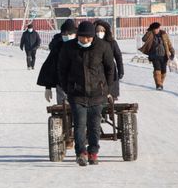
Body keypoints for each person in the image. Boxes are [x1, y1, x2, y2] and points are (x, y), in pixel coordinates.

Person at [57, 20, 117, 167]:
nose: (85, 40)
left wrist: (107, 88)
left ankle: (93, 153)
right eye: (82, 37)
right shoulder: (68, 48)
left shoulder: (103, 47)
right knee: (79, 124)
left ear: (93, 37)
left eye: (88, 37)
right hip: (77, 94)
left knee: (94, 126)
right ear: (78, 36)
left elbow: (110, 69)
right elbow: (62, 69)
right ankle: (81, 153)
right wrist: (67, 88)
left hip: (98, 93)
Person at [36, 19, 77, 103]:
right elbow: (50, 67)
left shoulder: (81, 46)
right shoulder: (58, 48)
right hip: (61, 84)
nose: (68, 36)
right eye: (65, 34)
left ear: (75, 34)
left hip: (79, 85)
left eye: (70, 34)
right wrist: (48, 87)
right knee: (64, 109)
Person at [94, 19, 125, 99]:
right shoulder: (92, 43)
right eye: (97, 30)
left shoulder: (112, 42)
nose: (99, 32)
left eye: (102, 30)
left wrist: (120, 70)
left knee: (111, 93)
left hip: (110, 70)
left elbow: (118, 57)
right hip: (96, 71)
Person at [140, 21, 175, 90]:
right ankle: (158, 85)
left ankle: (160, 83)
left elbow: (169, 44)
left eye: (157, 28)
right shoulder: (150, 34)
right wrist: (149, 31)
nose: (156, 30)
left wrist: (172, 52)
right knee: (157, 69)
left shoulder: (164, 34)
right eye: (155, 29)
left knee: (163, 71)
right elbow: (143, 39)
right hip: (154, 55)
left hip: (164, 55)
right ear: (152, 29)